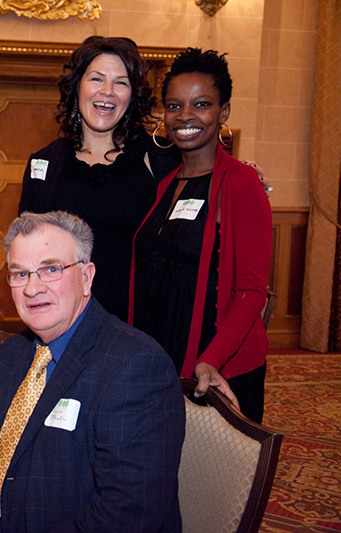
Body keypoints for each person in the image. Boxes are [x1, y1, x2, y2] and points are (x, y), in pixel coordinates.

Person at [0, 211, 185, 533]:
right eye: (20, 274)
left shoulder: (136, 365)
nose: (32, 288)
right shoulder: (10, 354)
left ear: (86, 277)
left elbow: (126, 514)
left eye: (51, 269)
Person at [129, 48, 271, 423]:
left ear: (223, 112)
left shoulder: (242, 183)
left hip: (216, 364)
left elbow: (252, 290)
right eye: (174, 105)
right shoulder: (164, 185)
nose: (185, 116)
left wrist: (211, 358)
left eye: (201, 104)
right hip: (162, 355)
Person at [18, 36, 179, 321]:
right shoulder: (45, 164)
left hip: (140, 325)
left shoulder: (161, 159)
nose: (108, 92)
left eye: (121, 82)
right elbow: (28, 254)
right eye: (96, 79)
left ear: (133, 95)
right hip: (64, 325)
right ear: (77, 86)